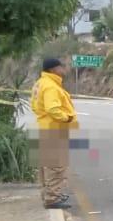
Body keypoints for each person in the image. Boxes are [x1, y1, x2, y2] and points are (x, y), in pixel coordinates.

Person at [30, 57, 79, 209]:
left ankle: (48, 195)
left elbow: (34, 106)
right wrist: (66, 118)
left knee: (46, 166)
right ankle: (53, 198)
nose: (63, 69)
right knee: (56, 167)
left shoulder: (40, 83)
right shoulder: (51, 86)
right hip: (54, 130)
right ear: (53, 69)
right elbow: (52, 109)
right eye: (60, 67)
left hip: (44, 128)